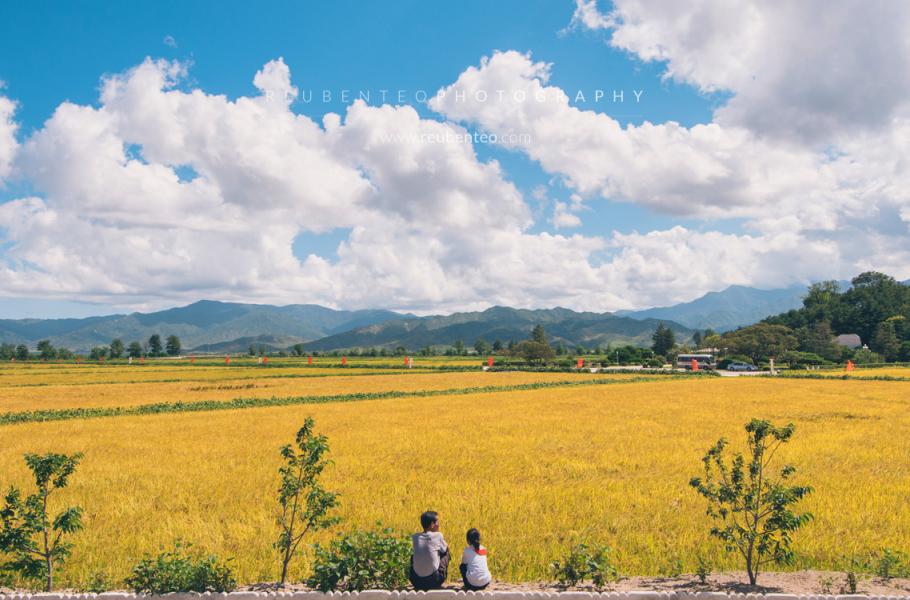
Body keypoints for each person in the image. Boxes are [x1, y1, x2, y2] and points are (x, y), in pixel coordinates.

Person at [410, 510, 451, 590]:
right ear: (432, 524)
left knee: (413, 555)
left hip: (416, 581)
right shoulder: (438, 535)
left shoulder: (415, 537)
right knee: (446, 552)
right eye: (437, 522)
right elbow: (446, 549)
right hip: (434, 581)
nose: (439, 525)